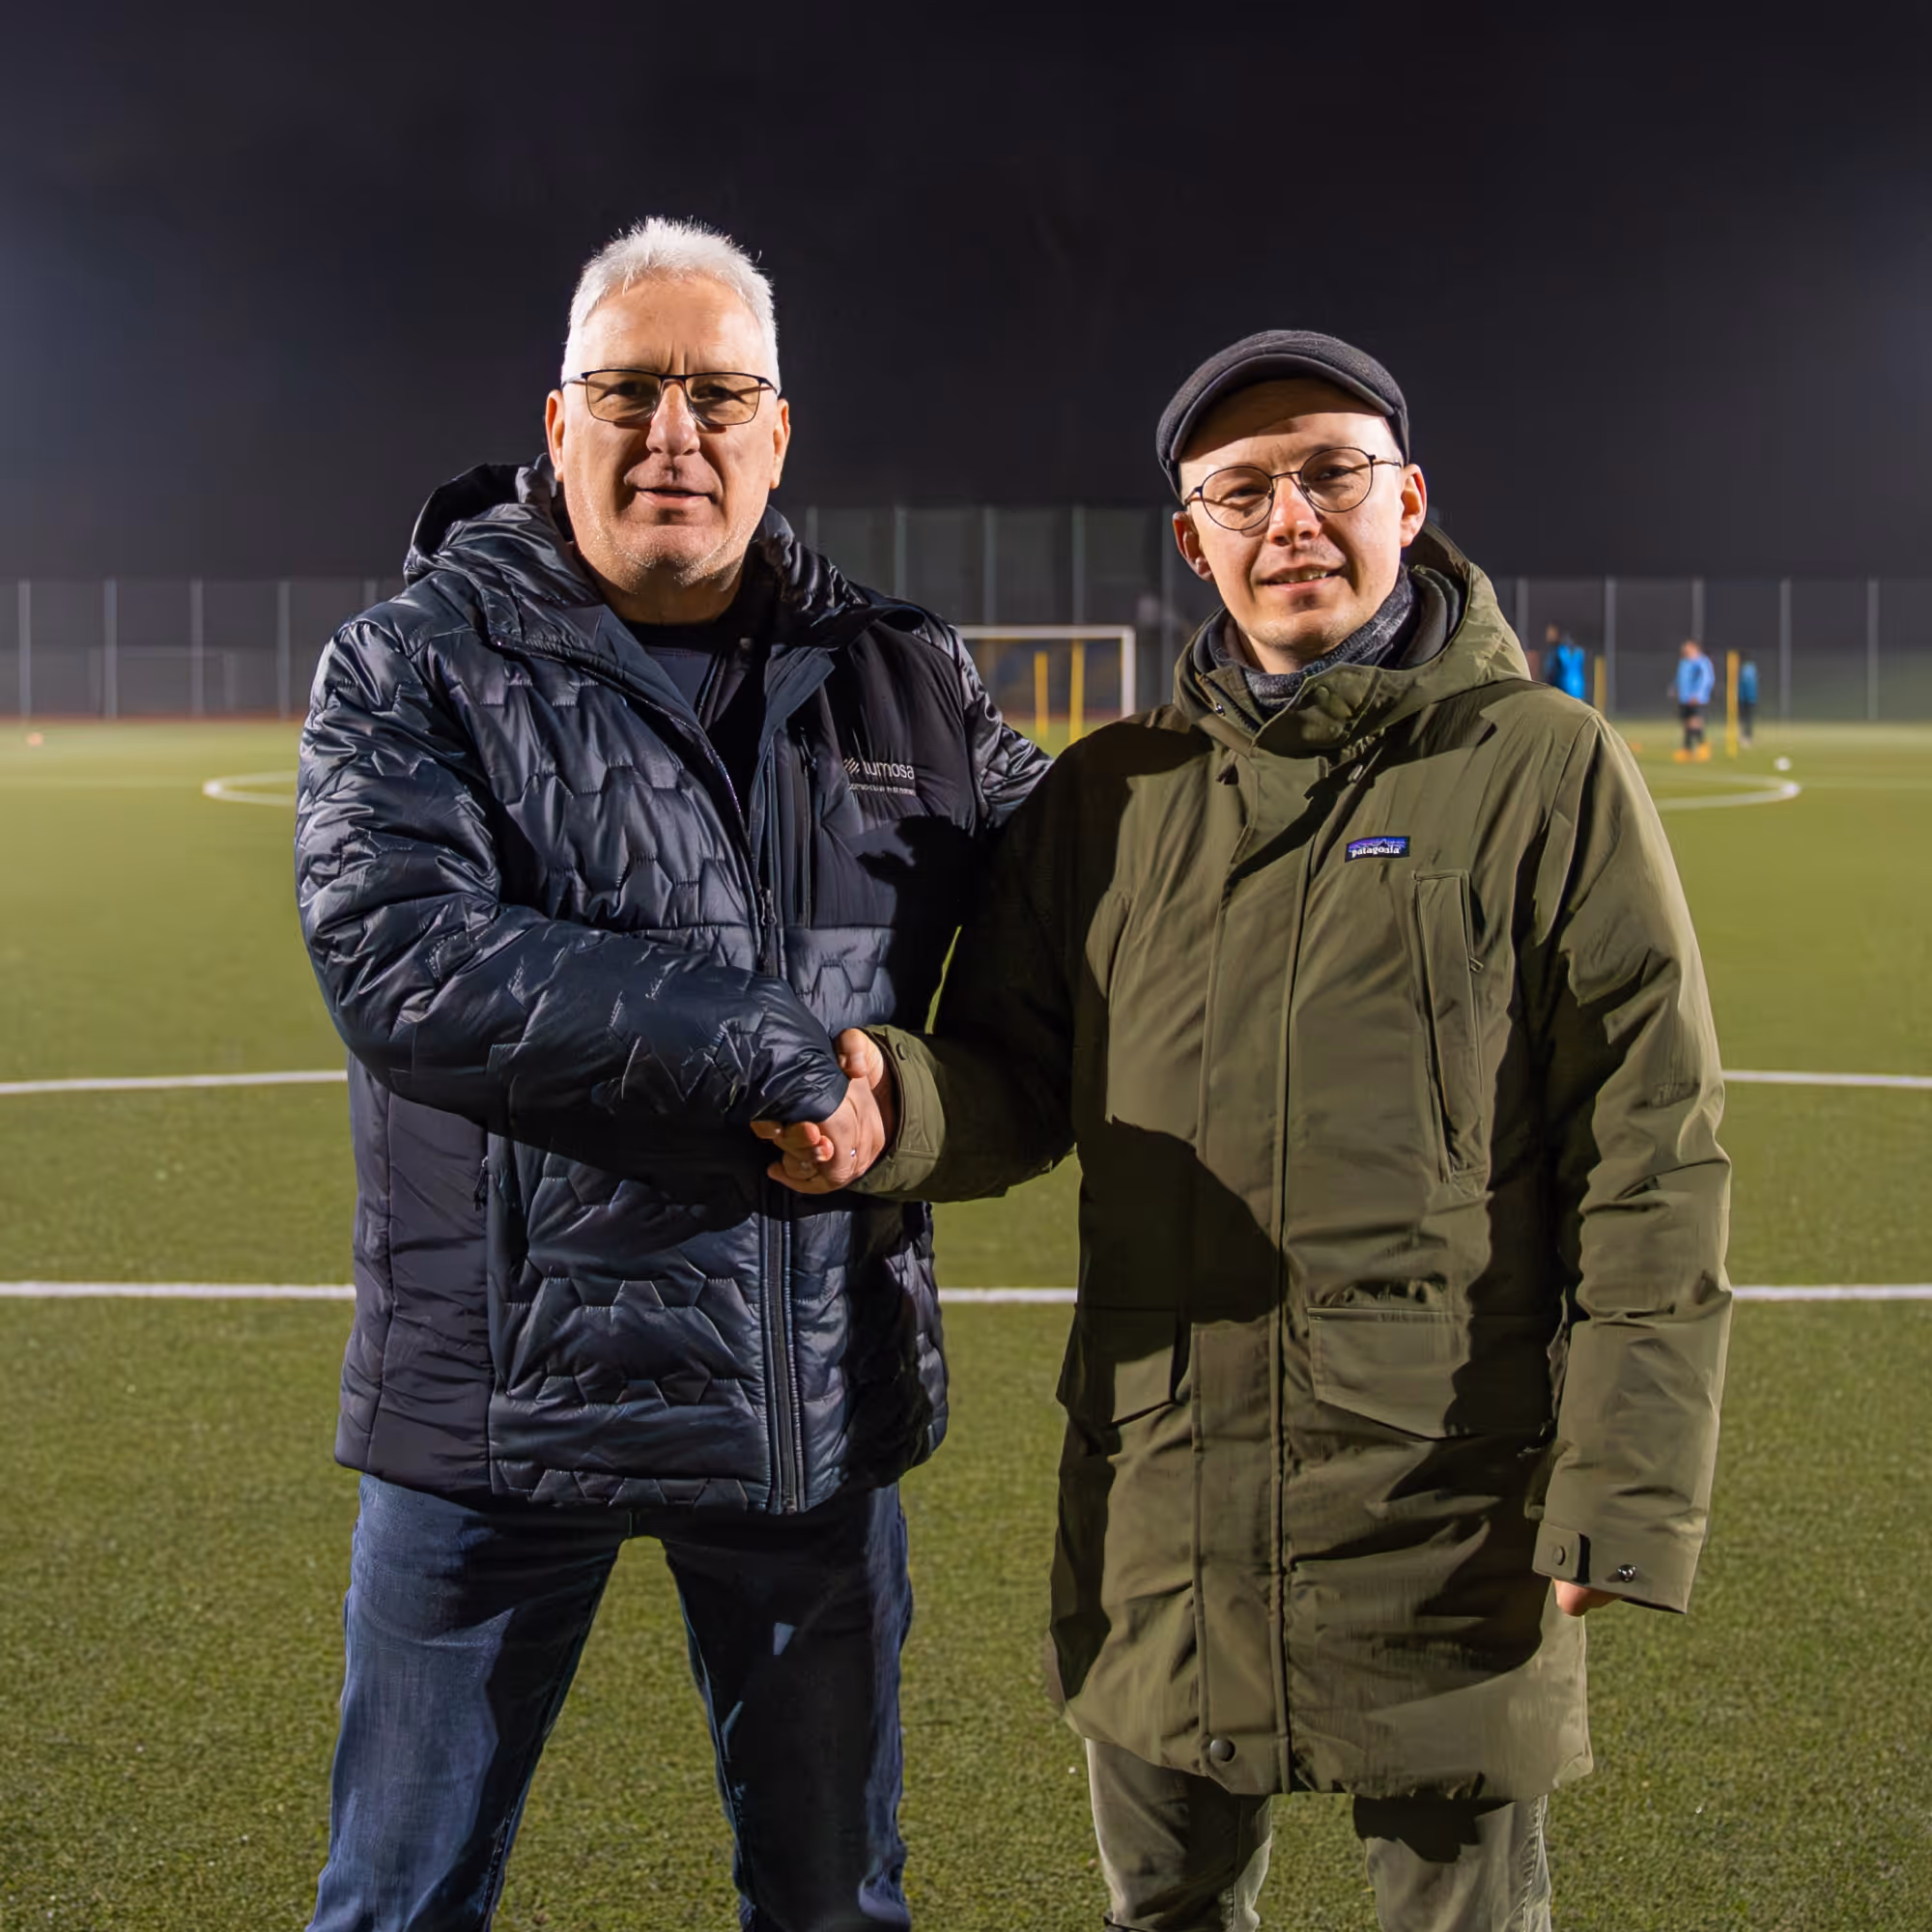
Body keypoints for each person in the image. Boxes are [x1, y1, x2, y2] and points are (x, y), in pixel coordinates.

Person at [760, 329, 1732, 1932]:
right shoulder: (1109, 798)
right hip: (1167, 1500)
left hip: (1445, 1504)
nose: (1292, 519)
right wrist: (895, 1108)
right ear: (1193, 538)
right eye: (1244, 489)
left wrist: (1626, 1483)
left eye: (1330, 473)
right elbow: (1010, 1072)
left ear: (1407, 499)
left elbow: (1652, 1145)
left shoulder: (1547, 770)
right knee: (1167, 1911)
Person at [293, 216, 1047, 1932]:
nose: (674, 431)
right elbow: (407, 959)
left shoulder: (905, 674)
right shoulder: (410, 661)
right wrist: (784, 1054)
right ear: (557, 423)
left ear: (780, 432)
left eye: (720, 393)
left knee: (832, 1904)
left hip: (803, 1403)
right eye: (629, 390)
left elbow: (1086, 902)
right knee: (397, 1904)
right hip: (491, 1416)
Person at [1674, 637, 1717, 760]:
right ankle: (1687, 749)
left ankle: (1703, 747)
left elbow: (1707, 680)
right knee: (1687, 723)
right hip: (1684, 698)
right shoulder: (1684, 662)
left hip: (1696, 698)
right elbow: (1680, 678)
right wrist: (1675, 688)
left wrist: (1697, 695)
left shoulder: (1702, 662)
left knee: (1695, 722)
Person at [1543, 621, 1587, 702]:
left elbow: (1551, 675)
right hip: (1578, 690)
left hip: (1563, 692)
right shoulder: (1579, 651)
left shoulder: (1557, 652)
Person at [1738, 653, 1759, 745]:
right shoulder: (1751, 668)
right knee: (1745, 718)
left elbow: (1747, 683)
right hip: (1748, 698)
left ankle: (1747, 736)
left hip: (1746, 698)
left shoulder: (1746, 669)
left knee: (1747, 718)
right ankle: (1745, 735)